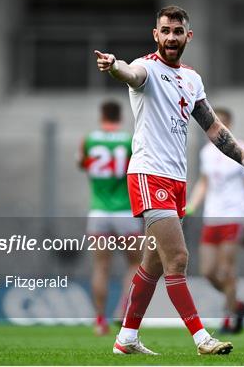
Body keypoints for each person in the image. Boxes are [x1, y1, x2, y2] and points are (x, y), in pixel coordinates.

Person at [94, 5, 244, 355]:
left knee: (152, 263)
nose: (171, 37)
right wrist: (115, 67)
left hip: (176, 182)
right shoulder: (147, 69)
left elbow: (213, 128)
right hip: (148, 174)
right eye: (165, 31)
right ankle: (202, 338)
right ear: (155, 35)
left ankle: (126, 337)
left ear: (188, 36)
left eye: (177, 31)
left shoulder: (192, 78)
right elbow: (130, 74)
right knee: (178, 259)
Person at [186, 107, 244, 334]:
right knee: (208, 271)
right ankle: (237, 305)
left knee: (227, 269)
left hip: (234, 214)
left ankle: (228, 318)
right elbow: (204, 183)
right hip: (212, 217)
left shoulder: (243, 150)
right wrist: (191, 206)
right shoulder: (206, 152)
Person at [78, 100, 143, 336]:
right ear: (120, 116)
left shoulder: (90, 139)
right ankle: (122, 311)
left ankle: (99, 321)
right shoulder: (128, 140)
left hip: (98, 212)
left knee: (101, 267)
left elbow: (81, 163)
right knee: (135, 264)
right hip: (126, 211)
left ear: (101, 115)